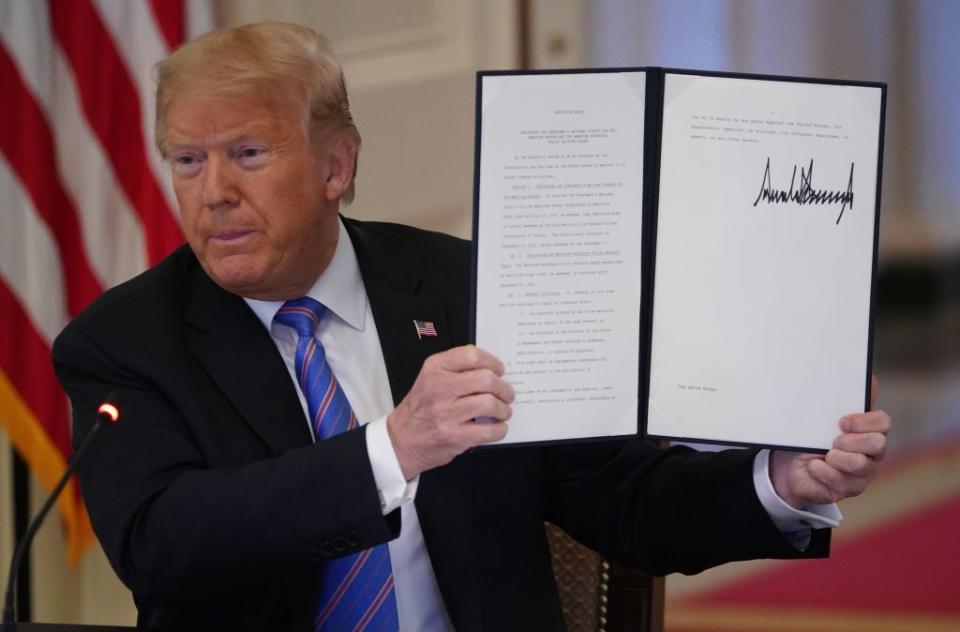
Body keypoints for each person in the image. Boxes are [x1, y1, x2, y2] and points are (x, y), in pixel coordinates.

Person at [52, 21, 891, 631]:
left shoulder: (469, 289)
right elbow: (165, 545)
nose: (212, 193)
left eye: (248, 153)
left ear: (336, 165)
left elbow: (620, 497)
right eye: (187, 160)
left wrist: (781, 480)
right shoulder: (124, 342)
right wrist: (394, 447)